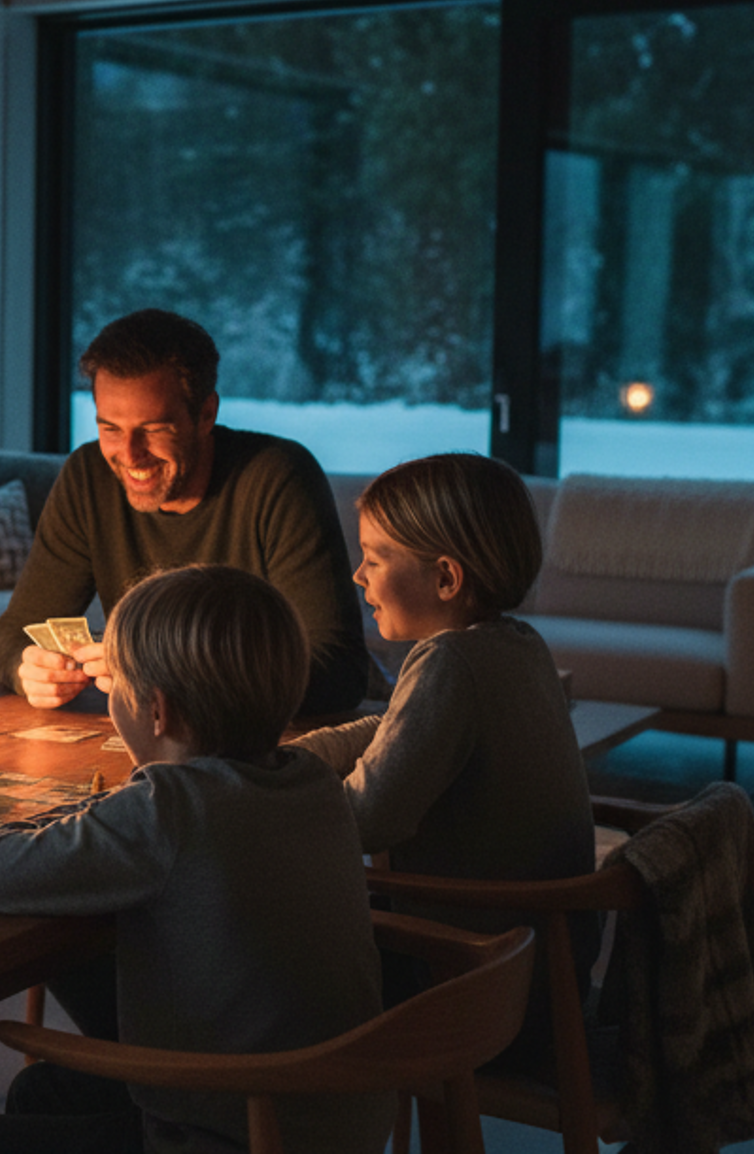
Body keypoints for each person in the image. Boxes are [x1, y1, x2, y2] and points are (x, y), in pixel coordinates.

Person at [0, 565, 393, 1154]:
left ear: (157, 712)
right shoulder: (311, 780)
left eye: (117, 684)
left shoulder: (166, 809)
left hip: (234, 1133)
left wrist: (100, 804)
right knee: (44, 1090)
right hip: (334, 1118)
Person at [289, 452, 594, 1061]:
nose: (358, 576)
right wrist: (294, 759)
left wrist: (259, 800)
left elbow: (363, 820)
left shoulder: (448, 662)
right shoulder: (517, 645)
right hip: (544, 975)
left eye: (374, 559)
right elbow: (392, 729)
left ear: (446, 579)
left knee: (259, 934)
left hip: (469, 982)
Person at [0, 308, 369, 718]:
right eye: (110, 428)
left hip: (260, 744)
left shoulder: (278, 476)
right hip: (146, 738)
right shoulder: (88, 476)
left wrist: (172, 681)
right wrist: (28, 670)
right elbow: (13, 635)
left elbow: (338, 670)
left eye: (154, 429)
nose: (129, 454)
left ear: (206, 414)